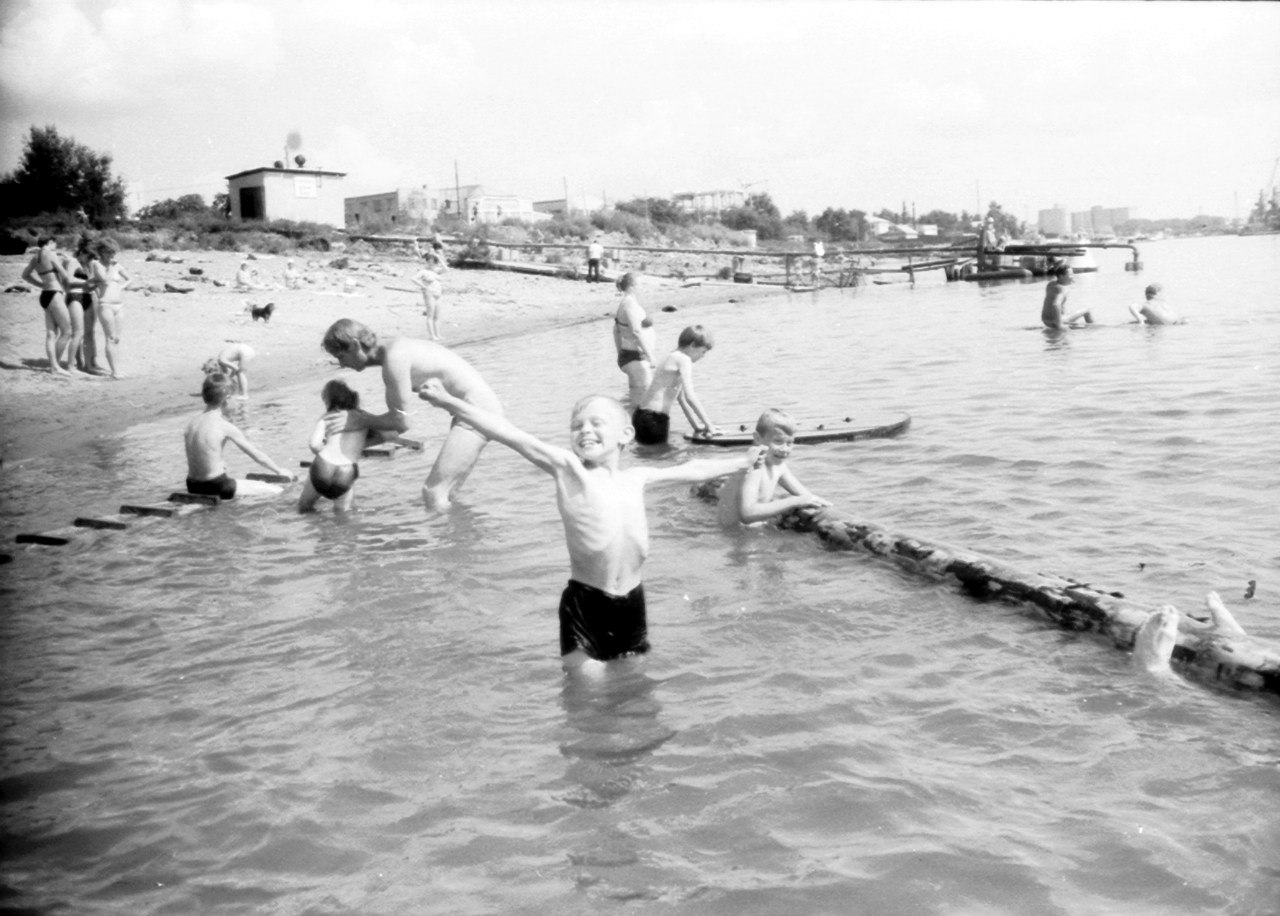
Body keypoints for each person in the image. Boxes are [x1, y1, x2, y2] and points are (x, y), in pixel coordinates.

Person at [418, 381, 763, 666]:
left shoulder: (637, 477)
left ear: (626, 434)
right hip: (587, 604)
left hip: (632, 602)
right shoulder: (569, 469)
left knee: (635, 690)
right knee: (589, 698)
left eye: (597, 423)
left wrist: (741, 461)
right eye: (577, 426)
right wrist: (447, 400)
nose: (585, 430)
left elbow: (693, 469)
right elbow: (510, 434)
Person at [320, 318, 502, 510]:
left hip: (478, 410)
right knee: (448, 493)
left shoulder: (394, 359)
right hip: (475, 409)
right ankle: (459, 535)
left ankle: (448, 538)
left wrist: (358, 419)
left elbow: (401, 422)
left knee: (433, 493)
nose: (341, 364)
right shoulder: (394, 348)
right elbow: (398, 422)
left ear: (355, 345)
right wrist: (362, 435)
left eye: (340, 356)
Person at [183, 373, 293, 500]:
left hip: (192, 486)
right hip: (216, 485)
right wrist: (279, 471)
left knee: (241, 487)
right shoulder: (224, 425)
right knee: (277, 491)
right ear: (227, 399)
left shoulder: (191, 424)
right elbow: (256, 455)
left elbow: (201, 453)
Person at [716, 409, 831, 526]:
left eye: (790, 443)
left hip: (752, 529)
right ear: (758, 439)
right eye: (778, 441)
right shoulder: (755, 465)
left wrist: (826, 506)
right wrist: (794, 501)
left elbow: (805, 496)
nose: (785, 449)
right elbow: (747, 513)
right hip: (734, 534)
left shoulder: (779, 466)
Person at [632, 325, 719, 445]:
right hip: (654, 419)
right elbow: (690, 397)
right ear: (692, 345)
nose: (702, 357)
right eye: (703, 352)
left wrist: (697, 426)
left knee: (654, 457)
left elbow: (681, 399)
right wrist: (710, 426)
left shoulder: (672, 356)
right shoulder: (684, 360)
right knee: (662, 459)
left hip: (641, 415)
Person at [298, 379, 371, 512]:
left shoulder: (328, 417)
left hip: (323, 467)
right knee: (342, 515)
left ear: (330, 400)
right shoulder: (364, 418)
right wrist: (360, 446)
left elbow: (314, 445)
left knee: (304, 507)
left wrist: (326, 451)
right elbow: (388, 435)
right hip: (347, 470)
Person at [20, 237, 74, 376]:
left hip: (45, 295)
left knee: (51, 333)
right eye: (55, 243)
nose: (56, 246)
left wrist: (41, 285)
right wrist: (68, 262)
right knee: (67, 331)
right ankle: (55, 365)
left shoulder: (36, 257)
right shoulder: (50, 254)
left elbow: (25, 275)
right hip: (55, 294)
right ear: (50, 242)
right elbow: (65, 275)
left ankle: (53, 366)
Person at [612, 271, 658, 407]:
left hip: (631, 356)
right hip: (635, 358)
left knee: (636, 401)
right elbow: (636, 332)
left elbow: (616, 330)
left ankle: (624, 425)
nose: (642, 287)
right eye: (640, 284)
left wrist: (620, 353)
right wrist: (651, 356)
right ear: (632, 286)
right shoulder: (629, 304)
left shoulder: (627, 303)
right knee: (645, 400)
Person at [91, 238, 130, 378]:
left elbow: (129, 278)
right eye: (109, 253)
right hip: (105, 304)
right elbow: (106, 281)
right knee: (110, 338)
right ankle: (115, 371)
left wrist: (121, 287)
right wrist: (111, 267)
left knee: (117, 339)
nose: (112, 256)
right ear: (101, 252)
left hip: (119, 304)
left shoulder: (116, 265)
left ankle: (116, 368)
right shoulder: (97, 264)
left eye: (113, 253)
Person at [411, 240, 447, 340]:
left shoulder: (435, 271)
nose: (431, 262)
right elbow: (413, 279)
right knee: (430, 315)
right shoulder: (423, 271)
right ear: (426, 261)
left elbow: (446, 269)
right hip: (429, 294)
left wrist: (439, 258)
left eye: (433, 261)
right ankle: (432, 336)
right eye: (429, 260)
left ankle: (438, 334)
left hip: (438, 294)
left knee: (437, 316)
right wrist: (423, 286)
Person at [1040, 265, 1094, 330]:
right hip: (1055, 321)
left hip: (1045, 320)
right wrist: (1059, 325)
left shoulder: (1050, 284)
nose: (1073, 276)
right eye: (1070, 274)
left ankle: (1064, 322)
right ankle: (1093, 329)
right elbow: (1056, 305)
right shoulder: (1062, 289)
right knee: (1087, 310)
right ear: (1061, 276)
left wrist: (1070, 281)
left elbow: (1051, 302)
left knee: (1067, 312)